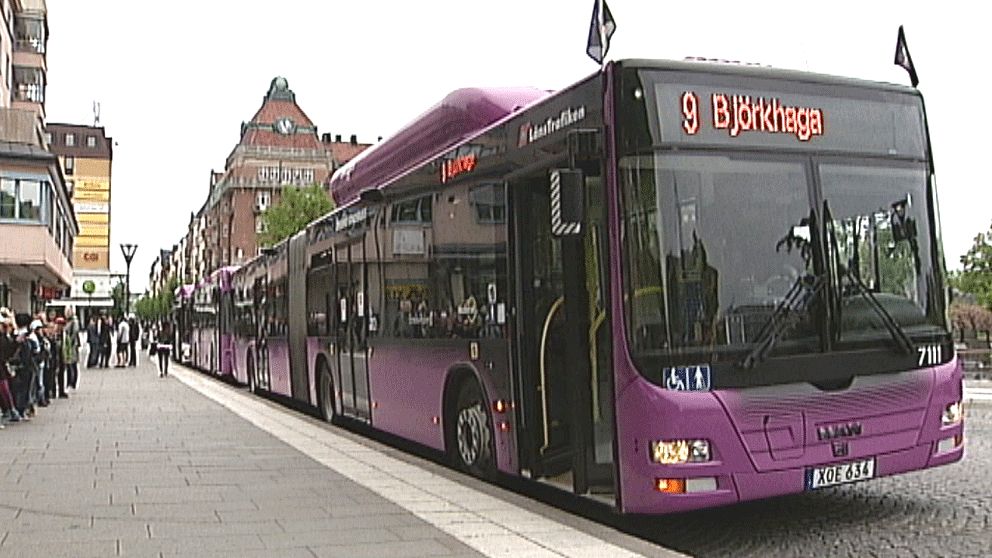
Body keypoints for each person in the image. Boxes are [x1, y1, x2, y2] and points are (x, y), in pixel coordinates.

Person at [63, 308, 80, 391]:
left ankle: (72, 382)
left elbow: (74, 332)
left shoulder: (74, 321)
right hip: (68, 345)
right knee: (70, 364)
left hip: (72, 345)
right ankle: (70, 381)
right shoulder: (68, 322)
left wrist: (70, 342)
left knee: (72, 364)